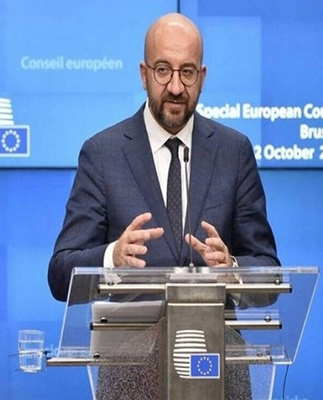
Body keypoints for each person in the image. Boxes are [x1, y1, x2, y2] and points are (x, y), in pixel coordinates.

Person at [48, 13, 280, 302]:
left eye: (187, 72)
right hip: (129, 330)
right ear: (144, 74)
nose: (175, 87)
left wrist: (232, 269)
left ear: (202, 77)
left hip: (212, 331)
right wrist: (112, 258)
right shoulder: (102, 154)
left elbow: (269, 274)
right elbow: (60, 276)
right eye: (162, 70)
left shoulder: (234, 152)